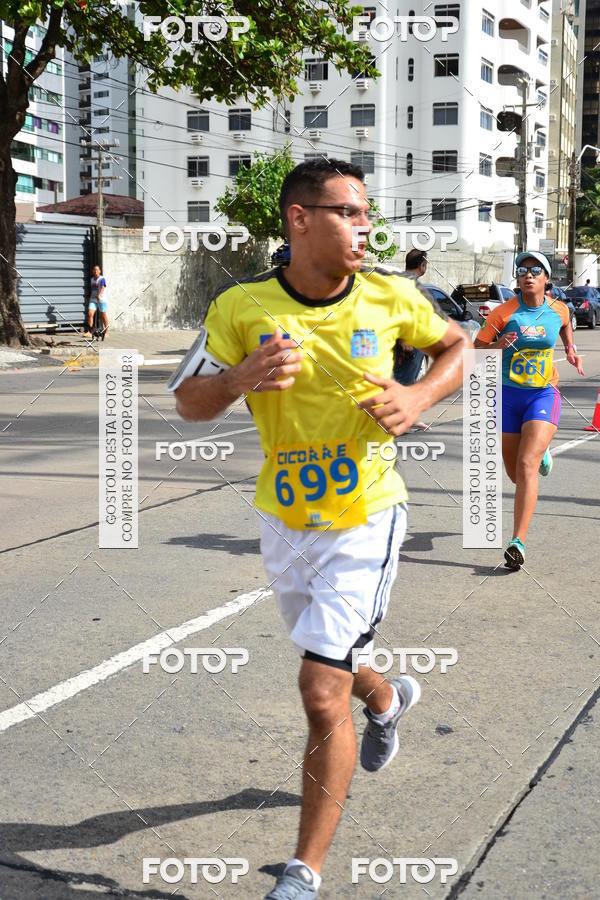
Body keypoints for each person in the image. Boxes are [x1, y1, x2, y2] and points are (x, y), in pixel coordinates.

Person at [172, 159, 469, 899]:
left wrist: (417, 392)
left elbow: (457, 345)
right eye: (349, 213)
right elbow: (187, 402)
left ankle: (303, 873)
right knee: (332, 664)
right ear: (300, 219)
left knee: (316, 688)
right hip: (284, 519)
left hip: (365, 515)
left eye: (368, 215)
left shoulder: (391, 296)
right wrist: (239, 379)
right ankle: (388, 698)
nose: (365, 228)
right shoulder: (240, 308)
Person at [474, 251, 584, 569]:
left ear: (546, 279)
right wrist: (497, 346)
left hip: (542, 394)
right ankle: (542, 456)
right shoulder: (503, 313)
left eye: (536, 270)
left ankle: (517, 542)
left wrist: (571, 350)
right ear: (518, 278)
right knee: (515, 474)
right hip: (507, 397)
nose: (528, 274)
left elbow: (565, 327)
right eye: (523, 270)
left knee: (525, 465)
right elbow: (476, 351)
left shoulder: (558, 309)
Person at [394, 249, 430, 429]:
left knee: (409, 380)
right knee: (403, 381)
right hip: (407, 343)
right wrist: (403, 339)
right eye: (426, 263)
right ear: (422, 265)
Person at [84, 264, 108, 340]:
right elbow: (92, 289)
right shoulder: (92, 279)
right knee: (90, 314)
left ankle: (106, 332)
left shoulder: (102, 279)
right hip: (93, 300)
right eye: (94, 270)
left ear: (100, 271)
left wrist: (99, 295)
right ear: (93, 271)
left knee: (103, 315)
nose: (96, 271)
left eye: (97, 270)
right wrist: (90, 298)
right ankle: (90, 332)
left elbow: (103, 287)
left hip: (102, 300)